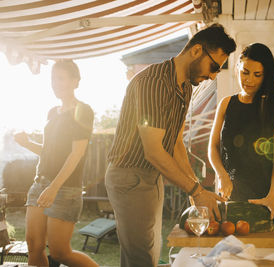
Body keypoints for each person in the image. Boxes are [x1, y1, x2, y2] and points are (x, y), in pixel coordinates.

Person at [105, 23, 236, 267]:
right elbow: (153, 151)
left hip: (151, 178)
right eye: (214, 67)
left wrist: (194, 188)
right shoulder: (153, 83)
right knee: (140, 258)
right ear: (197, 51)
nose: (213, 76)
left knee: (151, 253)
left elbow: (176, 143)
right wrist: (196, 192)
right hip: (129, 177)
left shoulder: (185, 87)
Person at [14, 60, 98, 267]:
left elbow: (76, 153)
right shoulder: (52, 112)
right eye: (53, 78)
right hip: (40, 184)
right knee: (34, 246)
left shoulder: (83, 110)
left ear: (75, 81)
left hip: (65, 188)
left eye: (60, 78)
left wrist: (54, 187)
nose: (55, 83)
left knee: (60, 253)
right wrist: (27, 143)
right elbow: (48, 152)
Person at [208, 43, 274, 230]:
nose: (249, 80)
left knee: (268, 258)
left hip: (266, 200)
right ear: (237, 68)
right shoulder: (226, 104)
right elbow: (213, 147)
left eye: (257, 75)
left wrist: (272, 197)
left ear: (265, 75)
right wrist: (221, 174)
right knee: (230, 257)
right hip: (231, 201)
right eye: (245, 72)